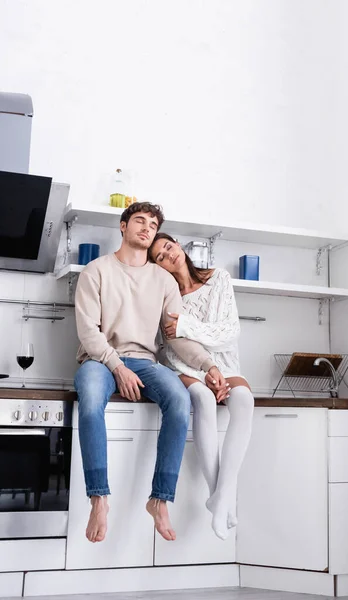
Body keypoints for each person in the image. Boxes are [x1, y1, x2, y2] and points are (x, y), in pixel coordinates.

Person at [74, 202, 227, 544]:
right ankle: (99, 498)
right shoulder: (95, 271)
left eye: (153, 224)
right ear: (123, 226)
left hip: (144, 362)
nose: (146, 228)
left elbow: (176, 338)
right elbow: (88, 332)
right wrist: (116, 366)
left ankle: (159, 499)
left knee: (178, 396)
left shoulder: (163, 281)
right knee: (91, 398)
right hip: (98, 361)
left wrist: (209, 365)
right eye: (139, 221)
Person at [149, 233, 254, 540]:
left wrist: (184, 325)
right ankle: (219, 498)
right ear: (158, 266)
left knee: (245, 401)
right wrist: (205, 365)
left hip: (226, 361)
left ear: (178, 245)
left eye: (169, 247)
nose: (169, 255)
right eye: (160, 256)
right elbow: (176, 343)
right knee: (204, 400)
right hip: (184, 364)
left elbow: (229, 331)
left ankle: (221, 496)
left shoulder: (219, 278)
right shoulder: (167, 296)